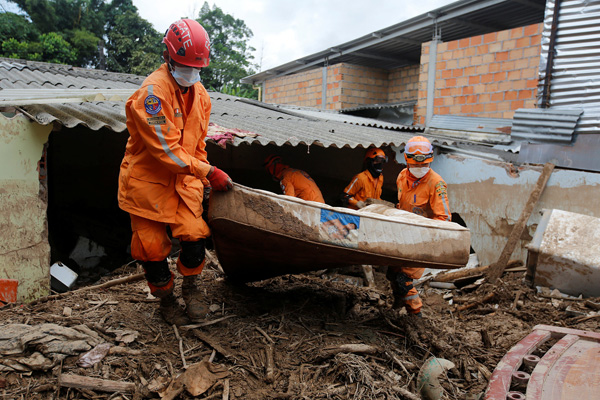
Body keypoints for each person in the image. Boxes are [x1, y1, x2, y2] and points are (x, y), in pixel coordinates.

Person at [118, 19, 233, 325]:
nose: (191, 73)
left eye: (197, 68)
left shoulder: (203, 96)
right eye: (184, 65)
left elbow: (198, 147)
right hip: (147, 185)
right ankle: (166, 300)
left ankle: (192, 289)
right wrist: (209, 172)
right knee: (152, 250)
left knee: (195, 238)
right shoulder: (151, 96)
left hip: (184, 184)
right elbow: (166, 151)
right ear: (168, 56)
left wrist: (203, 177)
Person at [387, 135, 451, 317]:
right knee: (392, 274)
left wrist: (427, 234)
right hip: (402, 235)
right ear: (407, 160)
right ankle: (397, 307)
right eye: (416, 165)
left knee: (403, 280)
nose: (420, 169)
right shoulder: (401, 178)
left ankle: (416, 316)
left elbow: (444, 218)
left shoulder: (436, 183)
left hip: (421, 240)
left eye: (424, 165)